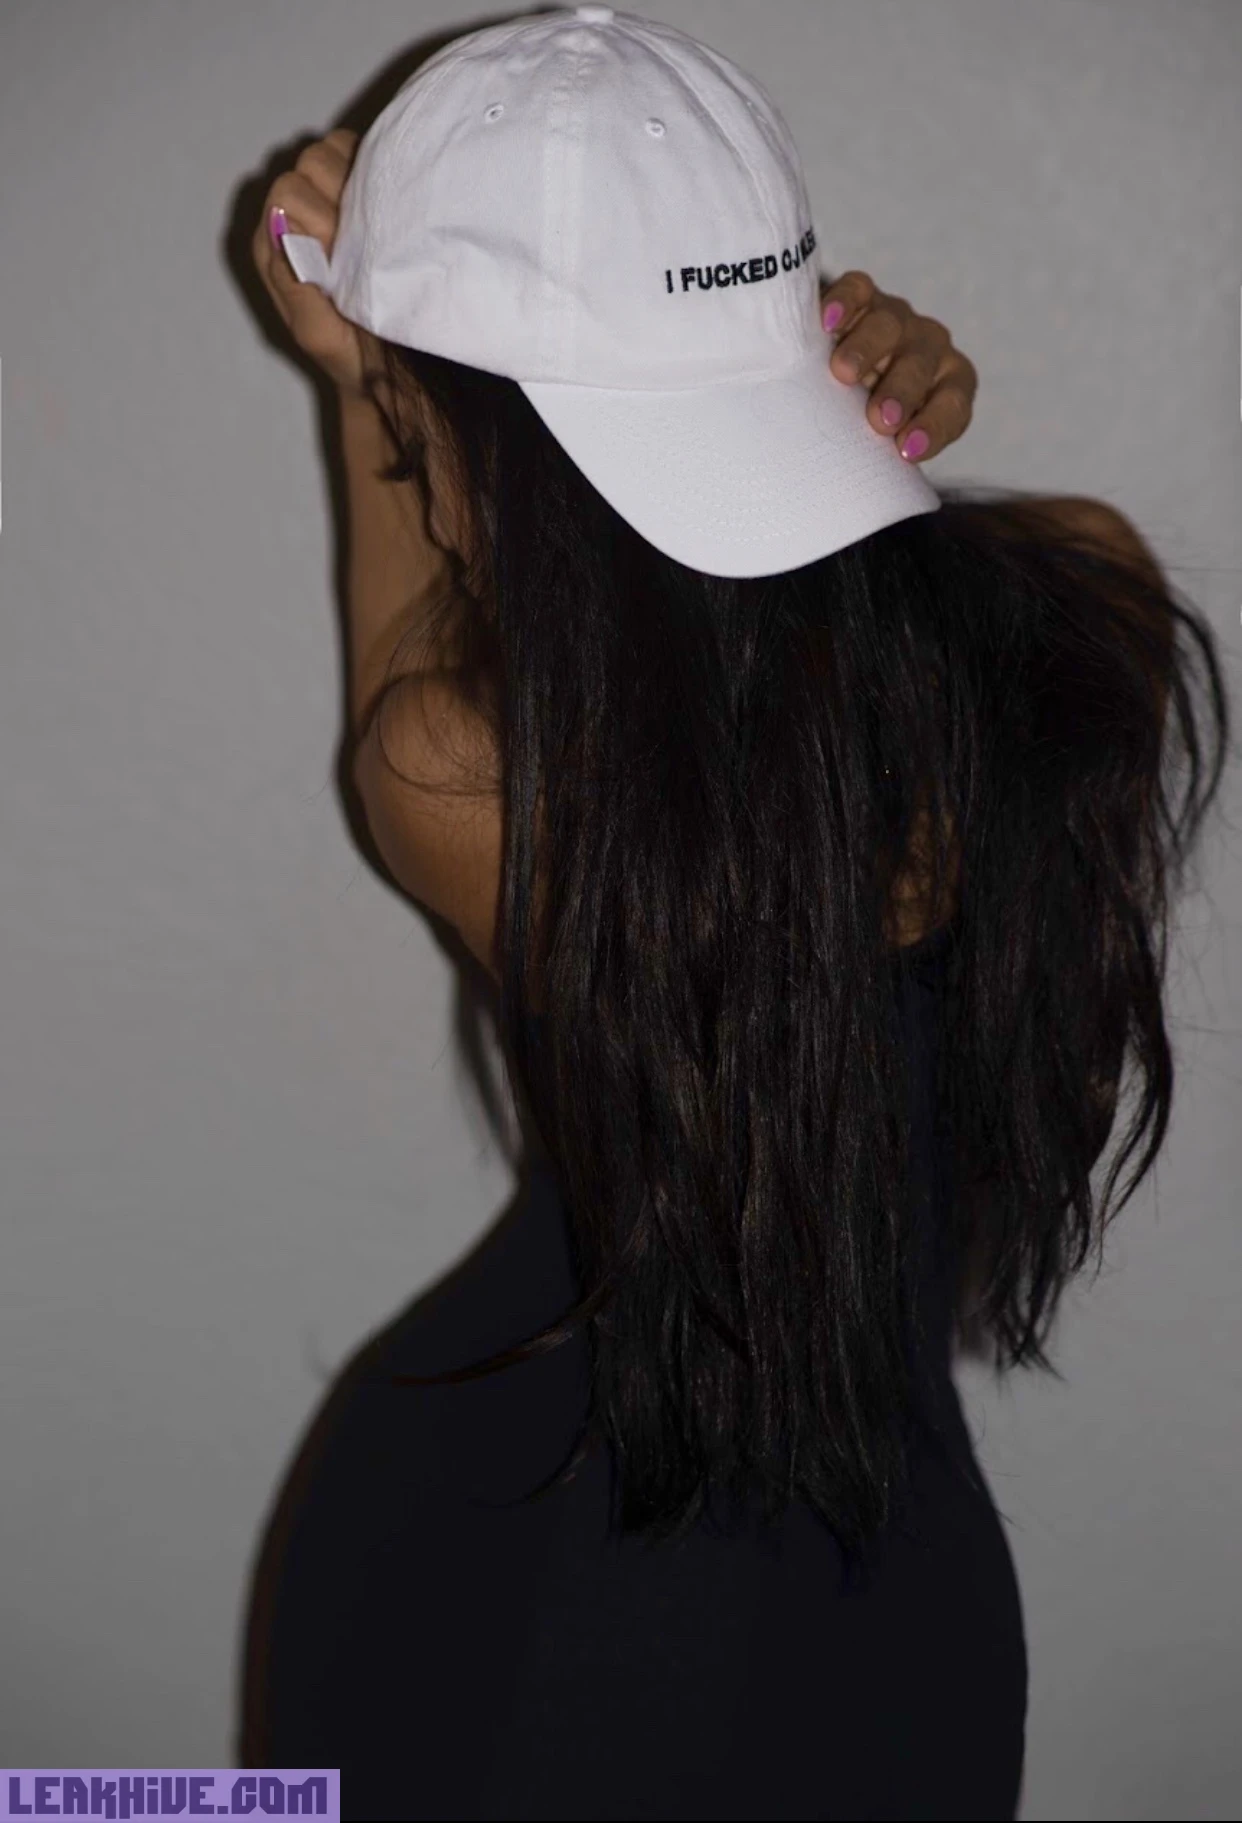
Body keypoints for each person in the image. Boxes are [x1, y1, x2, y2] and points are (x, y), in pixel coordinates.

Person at [241, 11, 1228, 1819]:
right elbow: (783, 619)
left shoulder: (468, 771)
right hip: (884, 1629)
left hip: (499, 1607)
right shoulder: (1079, 623)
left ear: (475, 445)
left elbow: (419, 682)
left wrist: (354, 374)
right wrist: (833, 436)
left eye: (411, 439)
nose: (423, 502)